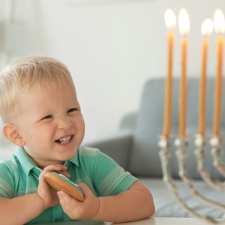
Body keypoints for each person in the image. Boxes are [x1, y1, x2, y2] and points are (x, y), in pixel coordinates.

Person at [0, 56, 155, 225]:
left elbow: (144, 202)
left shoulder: (91, 162)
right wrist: (40, 200)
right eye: (47, 117)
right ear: (16, 135)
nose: (66, 123)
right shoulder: (9, 173)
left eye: (72, 110)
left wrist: (97, 208)